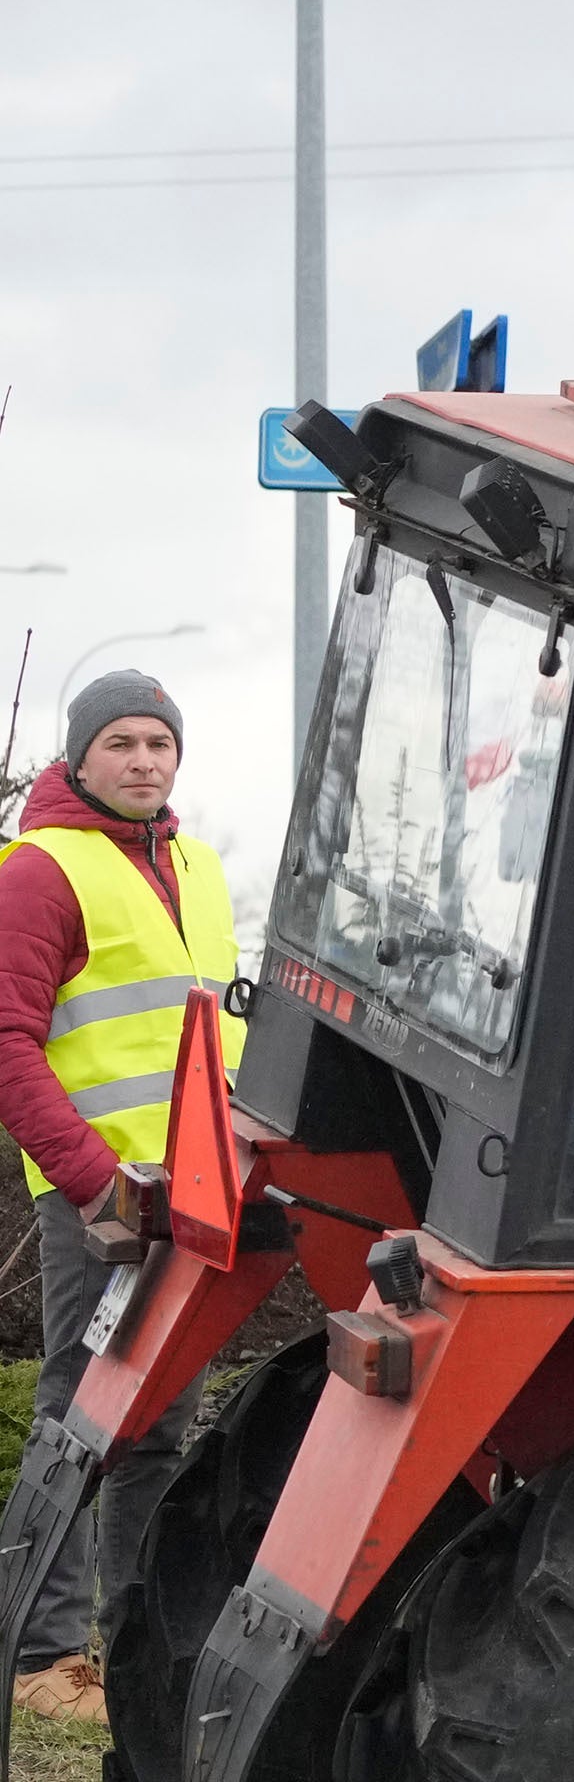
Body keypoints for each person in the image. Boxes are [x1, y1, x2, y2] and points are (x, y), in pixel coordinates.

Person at [0, 672, 239, 1723]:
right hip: (102, 1203)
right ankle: (39, 1656)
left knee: (157, 1430)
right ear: (79, 757)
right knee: (77, 1422)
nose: (145, 759)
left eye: (160, 742)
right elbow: (9, 1046)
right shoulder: (42, 870)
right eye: (122, 742)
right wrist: (97, 1182)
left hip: (195, 1198)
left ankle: (131, 1649)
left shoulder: (199, 863)